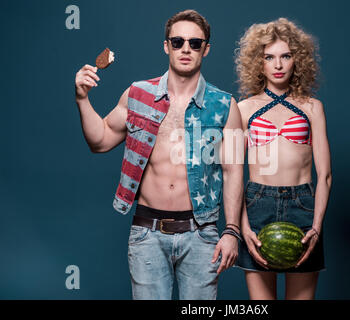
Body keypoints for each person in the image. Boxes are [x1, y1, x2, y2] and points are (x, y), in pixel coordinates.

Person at [74, 9, 243, 300]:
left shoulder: (226, 105)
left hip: (201, 234)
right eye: (177, 42)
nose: (186, 49)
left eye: (195, 43)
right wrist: (82, 98)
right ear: (166, 46)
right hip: (146, 233)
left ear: (206, 49)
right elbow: (99, 141)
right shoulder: (137, 94)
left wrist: (231, 231)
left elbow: (233, 172)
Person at [234, 18, 332, 300]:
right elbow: (232, 173)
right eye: (269, 57)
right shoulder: (241, 109)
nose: (278, 65)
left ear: (296, 60)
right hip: (256, 205)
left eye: (285, 56)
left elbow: (324, 174)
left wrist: (316, 225)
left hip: (303, 205)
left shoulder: (313, 108)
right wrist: (243, 225)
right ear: (258, 62)